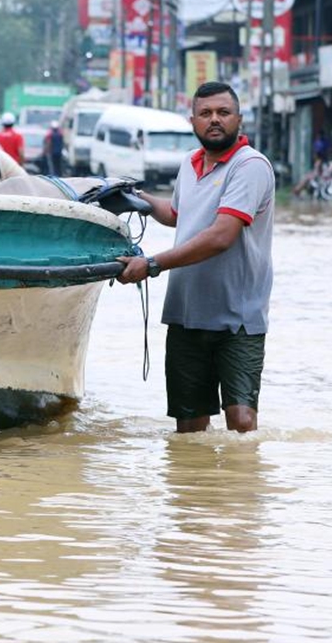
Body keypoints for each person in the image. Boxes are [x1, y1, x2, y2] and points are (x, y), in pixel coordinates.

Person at [115, 81, 274, 434]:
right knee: (188, 428)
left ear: (239, 119)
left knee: (242, 422)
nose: (214, 120)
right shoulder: (190, 164)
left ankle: (240, 488)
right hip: (187, 312)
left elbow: (221, 236)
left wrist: (152, 264)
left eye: (223, 112)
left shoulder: (250, 166)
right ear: (193, 121)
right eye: (206, 113)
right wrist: (135, 198)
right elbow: (176, 214)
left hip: (238, 318)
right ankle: (197, 489)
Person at [292, 128, 330, 197]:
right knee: (307, 177)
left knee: (307, 178)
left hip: (320, 172)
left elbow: (318, 173)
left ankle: (297, 190)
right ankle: (298, 190)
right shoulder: (320, 143)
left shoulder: (321, 144)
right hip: (319, 170)